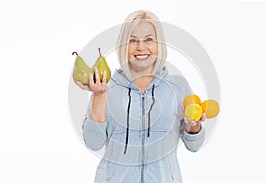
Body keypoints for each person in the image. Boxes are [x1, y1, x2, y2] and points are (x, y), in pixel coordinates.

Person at [76, 10, 206, 183]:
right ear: (124, 45)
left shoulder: (178, 86)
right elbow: (93, 142)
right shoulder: (107, 87)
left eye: (149, 39)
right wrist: (99, 96)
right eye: (133, 40)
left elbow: (194, 145)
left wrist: (193, 127)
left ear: (159, 44)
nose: (141, 47)